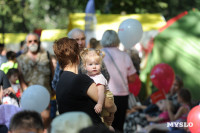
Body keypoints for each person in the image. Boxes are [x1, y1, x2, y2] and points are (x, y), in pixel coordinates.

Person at [53, 37, 117, 127]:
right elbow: (108, 103)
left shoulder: (60, 81)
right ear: (77, 57)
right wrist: (113, 109)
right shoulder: (80, 80)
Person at [101, 30, 137, 132]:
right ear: (117, 40)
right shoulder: (125, 55)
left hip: (104, 95)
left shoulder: (98, 56)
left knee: (105, 125)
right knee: (119, 125)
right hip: (122, 95)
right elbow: (132, 78)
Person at [17, 33, 54, 129]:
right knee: (32, 121)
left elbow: (52, 71)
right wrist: (25, 90)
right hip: (30, 94)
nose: (33, 43)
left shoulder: (46, 55)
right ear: (26, 43)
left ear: (38, 42)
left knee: (46, 118)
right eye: (30, 41)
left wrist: (53, 86)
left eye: (35, 41)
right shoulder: (21, 58)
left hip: (45, 92)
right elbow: (20, 76)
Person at [80, 48, 114, 130]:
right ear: (85, 66)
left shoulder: (99, 77)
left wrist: (99, 104)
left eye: (97, 64)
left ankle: (107, 128)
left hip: (105, 97)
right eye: (90, 64)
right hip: (98, 97)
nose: (94, 67)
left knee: (104, 119)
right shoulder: (88, 76)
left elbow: (101, 92)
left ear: (101, 65)